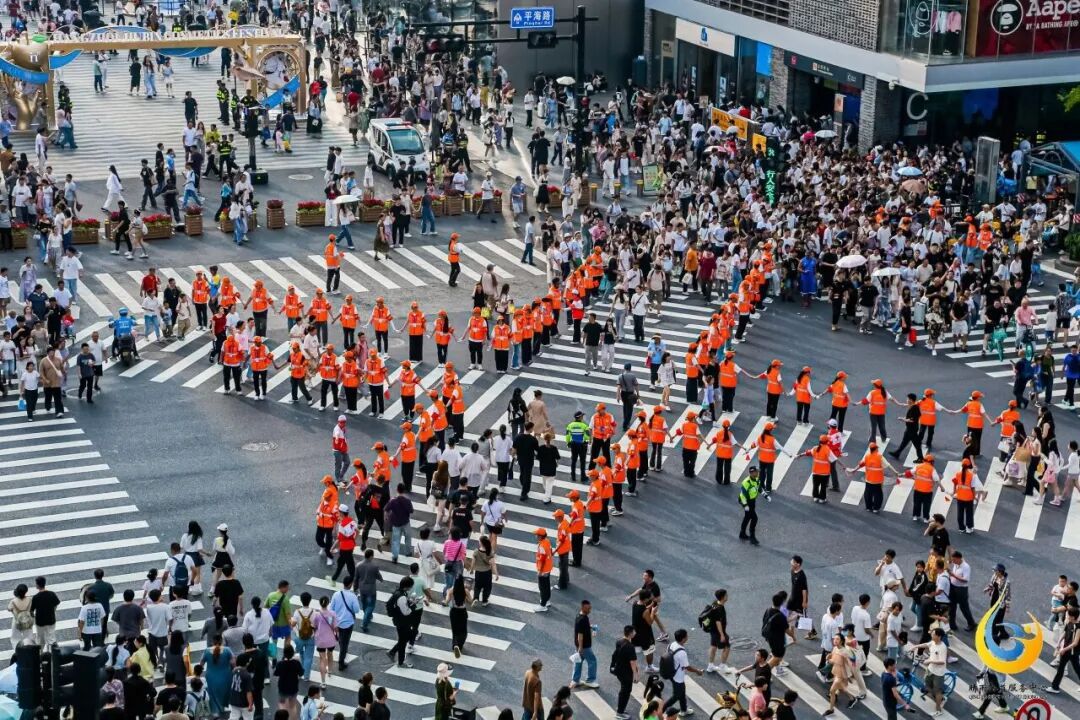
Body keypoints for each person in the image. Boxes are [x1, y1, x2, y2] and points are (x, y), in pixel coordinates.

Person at [611, 624, 639, 720]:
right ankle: (620, 713)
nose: (635, 633)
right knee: (626, 691)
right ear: (630, 634)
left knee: (624, 690)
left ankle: (620, 708)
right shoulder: (630, 647)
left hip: (619, 669)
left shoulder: (619, 641)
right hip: (626, 672)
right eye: (634, 632)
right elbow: (632, 662)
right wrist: (635, 675)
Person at [570, 599, 598, 688]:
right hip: (584, 646)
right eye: (588, 609)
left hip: (580, 645)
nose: (590, 610)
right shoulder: (582, 619)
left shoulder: (580, 616)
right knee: (592, 661)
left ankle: (575, 680)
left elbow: (582, 629)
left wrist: (591, 626)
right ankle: (590, 680)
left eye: (590, 608)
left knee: (578, 661)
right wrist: (581, 647)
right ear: (582, 607)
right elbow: (580, 635)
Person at [738, 466, 761, 545]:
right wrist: (745, 505)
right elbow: (743, 495)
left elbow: (758, 488)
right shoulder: (746, 482)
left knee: (747, 517)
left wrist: (765, 495)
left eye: (757, 471)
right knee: (754, 518)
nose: (758, 473)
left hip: (752, 500)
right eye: (756, 472)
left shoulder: (757, 479)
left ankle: (742, 533)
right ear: (751, 473)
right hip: (746, 501)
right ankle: (752, 537)